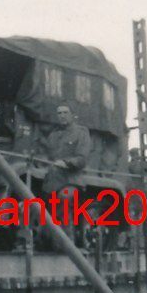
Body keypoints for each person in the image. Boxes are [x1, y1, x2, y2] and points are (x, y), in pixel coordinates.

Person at [35, 105, 91, 246]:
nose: (62, 115)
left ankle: (66, 246)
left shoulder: (81, 133)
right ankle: (44, 242)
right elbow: (46, 155)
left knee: (64, 199)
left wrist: (66, 163)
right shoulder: (53, 136)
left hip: (71, 181)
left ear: (73, 115)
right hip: (52, 182)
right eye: (59, 113)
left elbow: (82, 158)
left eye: (65, 112)